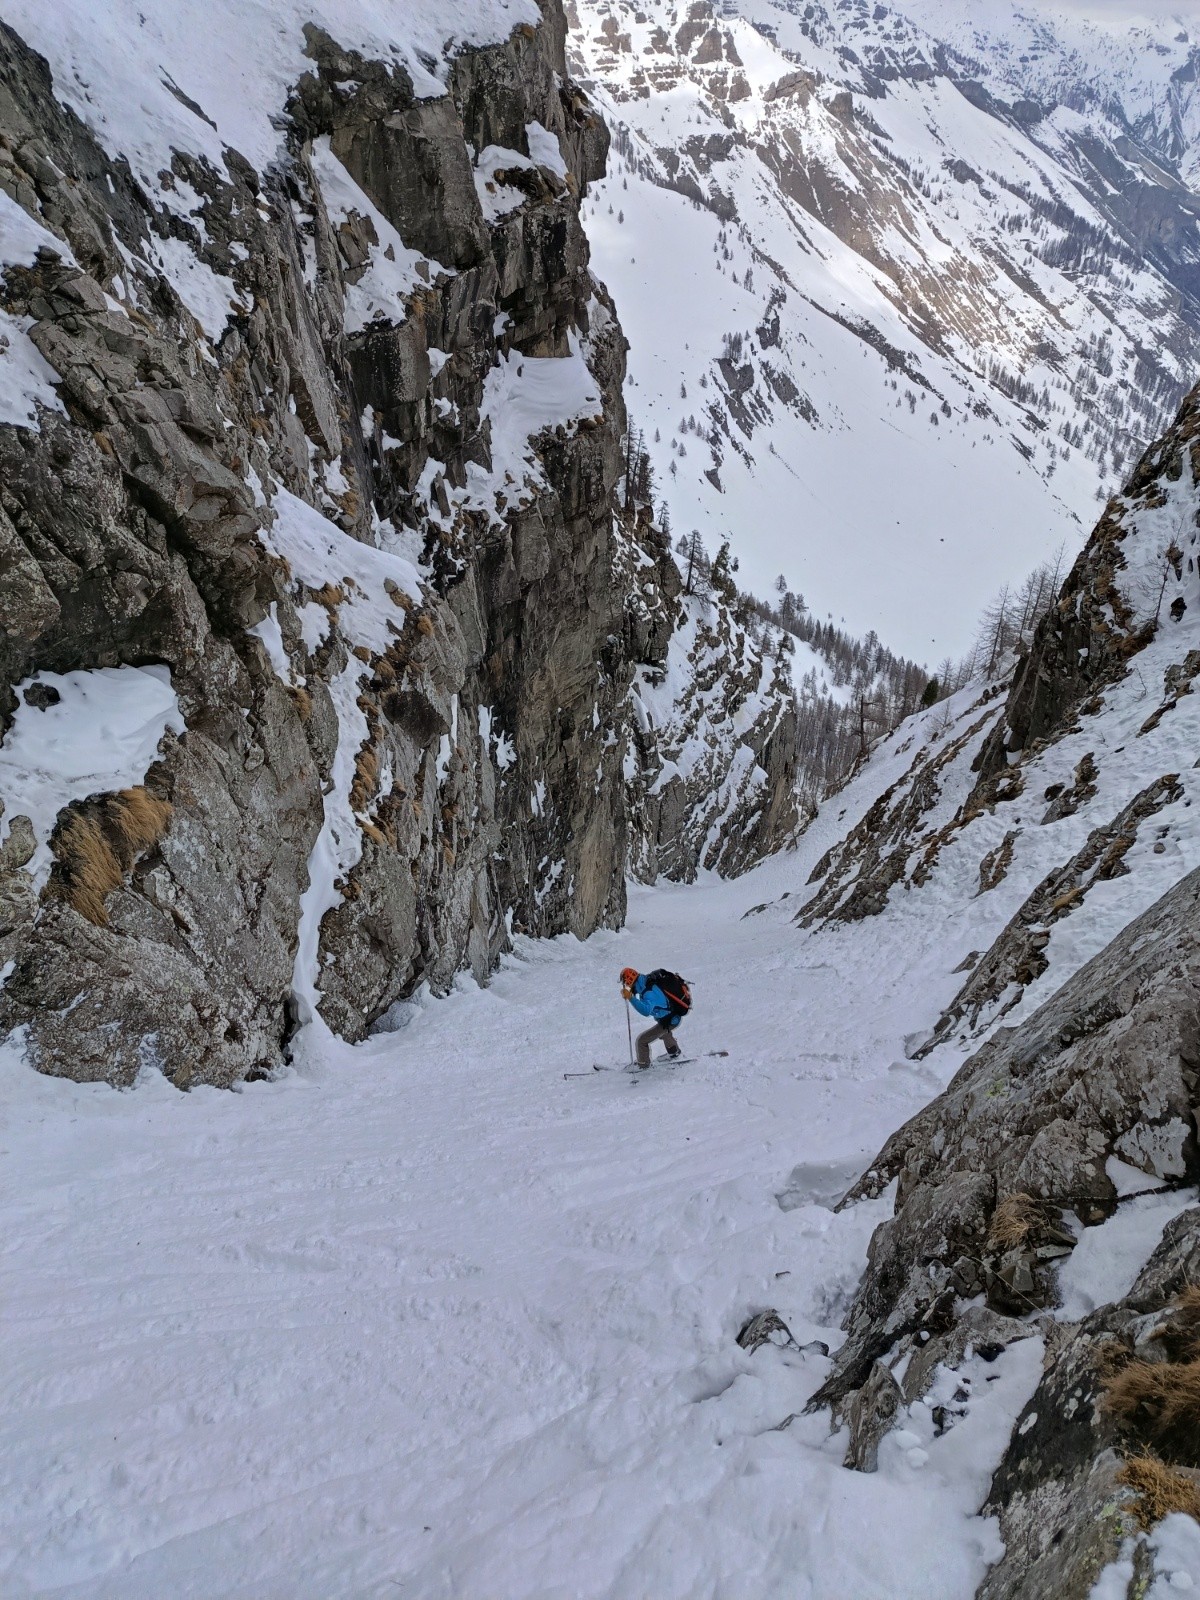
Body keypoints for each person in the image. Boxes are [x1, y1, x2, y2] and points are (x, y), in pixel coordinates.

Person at [620, 966, 686, 1067]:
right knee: (663, 1032)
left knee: (641, 1041)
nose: (627, 986)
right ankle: (674, 1052)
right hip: (669, 1017)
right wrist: (629, 994)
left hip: (670, 1019)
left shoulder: (648, 992)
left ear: (631, 981)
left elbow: (646, 1011)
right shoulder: (645, 983)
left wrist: (631, 997)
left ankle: (643, 1065)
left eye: (627, 984)